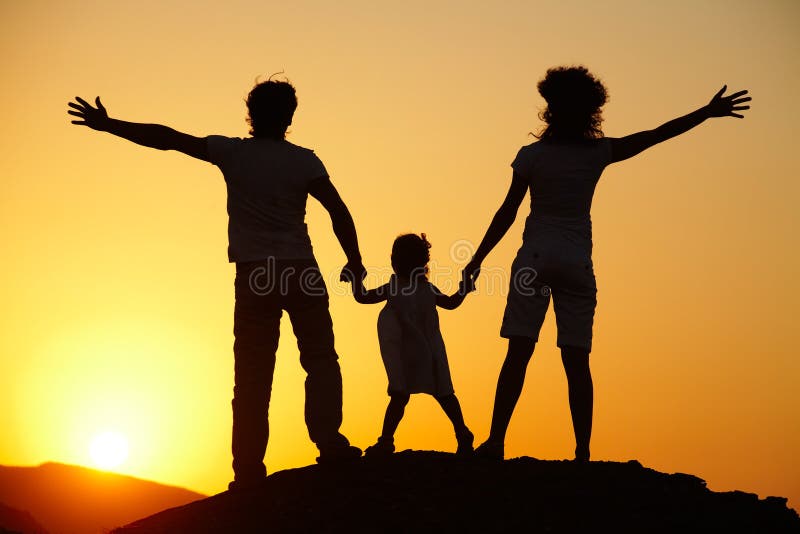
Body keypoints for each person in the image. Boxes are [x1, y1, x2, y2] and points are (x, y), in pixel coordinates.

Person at [68, 77, 365, 490]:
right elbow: (339, 211)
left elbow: (168, 139)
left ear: (251, 113)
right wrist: (355, 262)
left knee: (253, 375)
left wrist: (111, 124)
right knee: (320, 360)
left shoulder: (232, 152)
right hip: (301, 270)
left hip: (256, 274)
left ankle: (247, 469)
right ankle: (329, 442)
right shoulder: (305, 161)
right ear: (290, 116)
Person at [463, 66, 751, 462]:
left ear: (550, 109)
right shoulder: (599, 152)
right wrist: (704, 112)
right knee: (576, 359)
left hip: (534, 259)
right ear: (591, 112)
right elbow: (655, 135)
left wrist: (475, 260)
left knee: (518, 352)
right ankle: (582, 451)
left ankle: (495, 442)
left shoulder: (531, 156)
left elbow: (507, 212)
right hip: (577, 264)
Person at [352, 233, 475, 456]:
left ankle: (386, 441)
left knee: (399, 395)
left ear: (395, 262)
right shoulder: (428, 290)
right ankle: (462, 433)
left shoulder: (393, 287)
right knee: (444, 393)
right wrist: (464, 288)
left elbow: (362, 297)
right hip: (429, 352)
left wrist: (354, 278)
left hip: (404, 353)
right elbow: (451, 303)